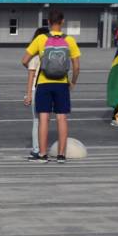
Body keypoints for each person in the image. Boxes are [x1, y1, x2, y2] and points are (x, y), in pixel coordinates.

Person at [21, 9, 80, 163]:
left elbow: (24, 60)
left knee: (43, 118)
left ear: (48, 22)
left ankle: (42, 154)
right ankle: (61, 155)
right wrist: (73, 82)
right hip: (62, 83)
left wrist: (37, 67)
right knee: (62, 118)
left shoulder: (41, 38)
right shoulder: (70, 40)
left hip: (44, 83)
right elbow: (76, 66)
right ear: (62, 22)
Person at [23, 27, 48, 160]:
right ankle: (43, 148)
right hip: (49, 89)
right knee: (45, 120)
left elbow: (31, 77)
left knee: (36, 121)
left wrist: (28, 95)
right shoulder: (50, 56)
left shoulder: (35, 57)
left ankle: (36, 149)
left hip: (36, 89)